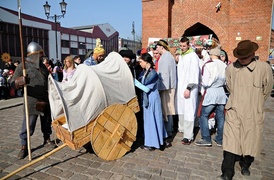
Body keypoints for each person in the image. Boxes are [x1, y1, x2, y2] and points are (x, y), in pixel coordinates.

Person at [219, 40, 273, 180]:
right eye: (239, 57)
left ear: (253, 54)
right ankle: (227, 172)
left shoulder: (263, 68)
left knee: (250, 140)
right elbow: (230, 87)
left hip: (253, 111)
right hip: (234, 110)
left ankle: (245, 164)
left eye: (245, 57)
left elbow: (267, 90)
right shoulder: (231, 68)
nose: (241, 60)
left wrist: (255, 101)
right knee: (231, 141)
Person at [11, 42, 55, 159]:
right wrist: (20, 81)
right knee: (28, 125)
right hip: (31, 100)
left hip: (44, 99)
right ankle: (24, 146)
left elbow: (48, 81)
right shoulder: (23, 66)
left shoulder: (42, 67)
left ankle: (47, 139)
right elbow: (12, 82)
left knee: (46, 122)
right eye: (39, 54)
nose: (41, 56)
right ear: (33, 54)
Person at [134, 53, 168, 151]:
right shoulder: (144, 72)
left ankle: (152, 143)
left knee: (152, 120)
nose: (140, 64)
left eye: (141, 62)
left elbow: (146, 89)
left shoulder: (153, 73)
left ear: (146, 61)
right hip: (148, 98)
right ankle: (154, 140)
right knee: (150, 120)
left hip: (152, 99)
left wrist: (135, 82)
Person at [195, 47, 227, 147]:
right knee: (221, 117)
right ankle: (220, 139)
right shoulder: (224, 65)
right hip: (221, 92)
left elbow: (206, 82)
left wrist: (200, 83)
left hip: (211, 91)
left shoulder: (209, 64)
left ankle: (206, 138)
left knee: (203, 115)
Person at [176, 36, 200, 145]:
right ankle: (182, 129)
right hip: (181, 86)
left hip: (189, 88)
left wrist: (189, 88)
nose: (182, 48)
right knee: (181, 109)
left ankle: (188, 136)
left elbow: (194, 73)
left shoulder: (193, 56)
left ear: (188, 45)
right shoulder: (181, 56)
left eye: (184, 46)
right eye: (180, 46)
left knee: (189, 110)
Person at [156, 39, 177, 146]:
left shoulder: (165, 57)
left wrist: (161, 88)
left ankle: (168, 133)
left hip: (167, 88)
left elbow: (164, 75)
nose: (156, 49)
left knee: (167, 110)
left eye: (157, 47)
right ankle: (170, 130)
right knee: (168, 109)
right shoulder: (168, 56)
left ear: (161, 47)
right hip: (169, 87)